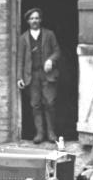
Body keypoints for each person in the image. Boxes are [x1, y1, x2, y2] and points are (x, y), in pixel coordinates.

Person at [17, 8, 61, 144]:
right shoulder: (23, 38)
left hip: (47, 74)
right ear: (28, 21)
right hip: (32, 75)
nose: (34, 21)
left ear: (40, 20)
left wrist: (51, 60)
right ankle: (39, 134)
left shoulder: (49, 34)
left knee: (49, 103)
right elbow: (20, 59)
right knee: (35, 105)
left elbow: (57, 51)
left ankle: (51, 133)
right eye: (31, 19)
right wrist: (20, 77)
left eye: (36, 18)